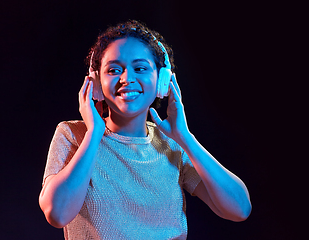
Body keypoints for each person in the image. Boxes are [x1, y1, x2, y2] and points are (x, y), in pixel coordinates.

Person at [39, 20, 251, 240]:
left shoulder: (171, 143)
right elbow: (57, 214)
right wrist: (93, 134)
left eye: (140, 68)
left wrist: (186, 138)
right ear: (96, 82)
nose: (127, 79)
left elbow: (239, 209)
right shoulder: (73, 134)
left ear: (162, 80)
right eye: (113, 70)